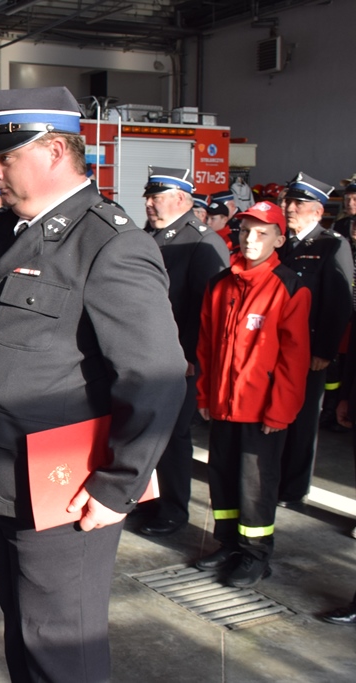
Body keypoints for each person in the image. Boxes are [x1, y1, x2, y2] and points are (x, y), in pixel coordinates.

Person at [0, 86, 186, 682]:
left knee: (60, 647)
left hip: (65, 488)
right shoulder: (13, 228)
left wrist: (118, 487)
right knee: (25, 632)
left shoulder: (109, 243)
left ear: (54, 152)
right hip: (3, 473)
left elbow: (156, 375)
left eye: (5, 158)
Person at [194, 201, 311, 587]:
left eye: (262, 233)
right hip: (222, 406)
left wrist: (280, 412)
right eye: (245, 231)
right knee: (222, 477)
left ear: (279, 239)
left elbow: (294, 359)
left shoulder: (290, 287)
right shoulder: (220, 284)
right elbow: (206, 346)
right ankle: (229, 544)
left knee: (255, 486)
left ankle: (256, 555)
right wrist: (204, 396)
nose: (250, 239)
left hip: (261, 412)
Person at [136, 167, 230, 537]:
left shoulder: (202, 241)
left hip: (180, 361)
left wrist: (189, 355)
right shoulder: (149, 235)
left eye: (156, 197)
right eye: (148, 196)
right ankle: (147, 500)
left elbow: (209, 307)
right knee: (144, 431)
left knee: (172, 435)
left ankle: (173, 510)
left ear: (180, 199)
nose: (149, 203)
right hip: (145, 354)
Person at [277, 172, 353, 507]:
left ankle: (293, 489)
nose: (290, 208)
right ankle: (274, 477)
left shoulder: (332, 244)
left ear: (318, 211)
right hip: (277, 347)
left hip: (310, 351)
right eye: (289, 202)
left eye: (298, 203)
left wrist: (324, 350)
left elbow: (339, 302)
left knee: (303, 420)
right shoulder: (283, 242)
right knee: (277, 414)